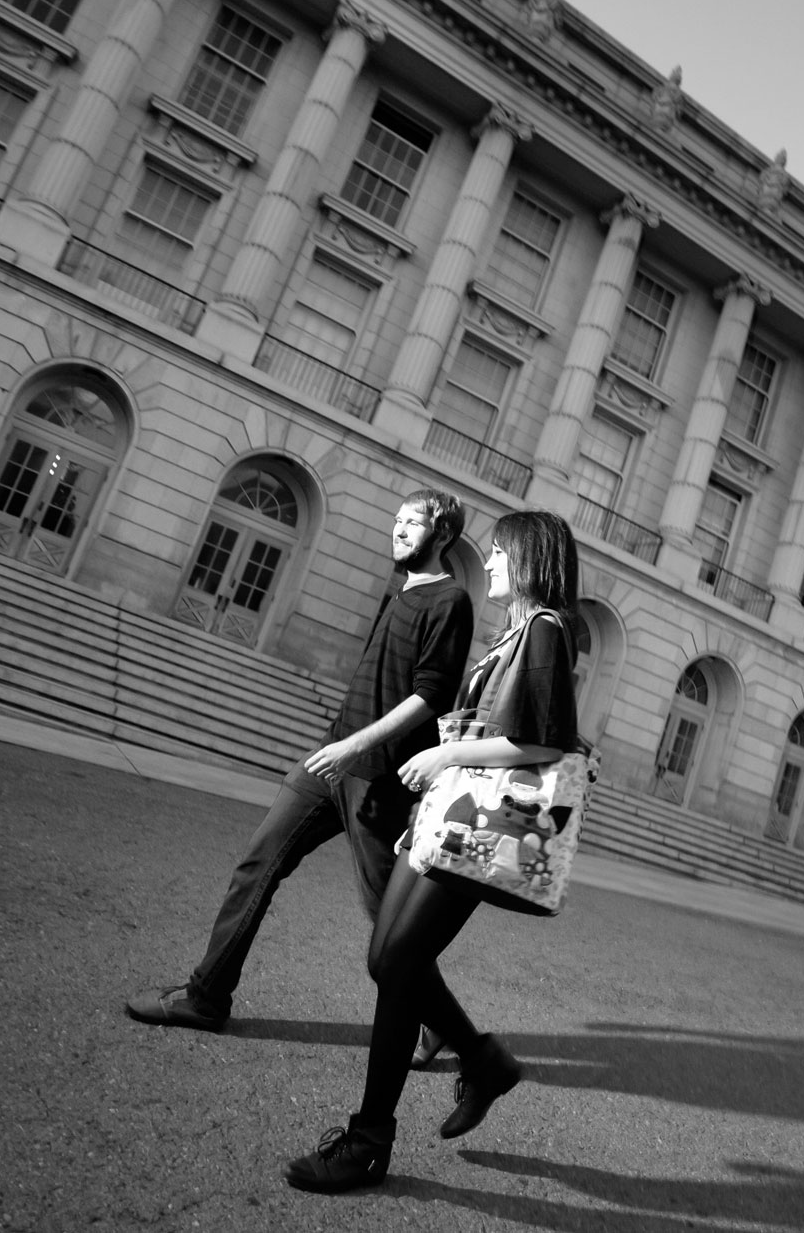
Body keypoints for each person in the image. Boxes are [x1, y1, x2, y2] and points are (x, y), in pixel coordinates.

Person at [285, 509, 580, 1194]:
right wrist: (429, 809)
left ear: (535, 557)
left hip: (489, 828)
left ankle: (370, 1139)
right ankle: (480, 1060)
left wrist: (443, 754)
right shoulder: (517, 634)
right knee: (388, 958)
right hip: (456, 819)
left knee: (395, 959)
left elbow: (544, 743)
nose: (495, 565)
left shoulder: (544, 631)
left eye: (504, 554)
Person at [126, 490, 477, 1035]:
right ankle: (206, 996)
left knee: (391, 923)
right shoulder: (400, 591)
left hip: (377, 777)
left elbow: (430, 696)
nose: (400, 529)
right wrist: (338, 744)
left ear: (443, 535)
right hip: (329, 760)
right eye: (397, 518)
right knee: (257, 863)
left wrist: (355, 747)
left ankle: (450, 1032)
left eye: (414, 522)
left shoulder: (449, 601)